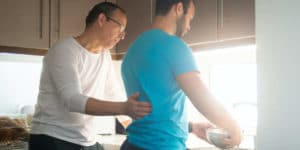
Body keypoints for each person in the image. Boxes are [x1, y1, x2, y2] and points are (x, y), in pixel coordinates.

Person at [28, 2, 151, 150]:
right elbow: (72, 100)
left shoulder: (104, 56)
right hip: (53, 139)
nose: (122, 36)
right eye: (121, 28)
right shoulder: (64, 50)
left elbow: (113, 94)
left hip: (86, 140)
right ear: (101, 19)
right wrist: (124, 108)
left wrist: (135, 128)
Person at [120, 0, 242, 149]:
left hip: (132, 144)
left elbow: (156, 113)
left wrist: (192, 127)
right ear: (178, 8)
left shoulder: (133, 49)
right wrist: (233, 127)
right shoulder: (173, 46)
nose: (189, 26)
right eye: (189, 18)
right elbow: (202, 99)